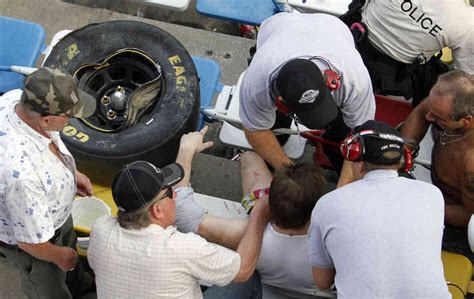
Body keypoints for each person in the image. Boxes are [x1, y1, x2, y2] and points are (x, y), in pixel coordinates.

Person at [87, 126, 269, 299]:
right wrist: (258, 216)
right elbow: (242, 270)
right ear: (157, 210)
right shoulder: (184, 249)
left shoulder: (100, 229)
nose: (174, 194)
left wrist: (186, 150)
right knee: (254, 274)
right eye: (169, 193)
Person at [308, 120, 450, 298]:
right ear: (404, 159)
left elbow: (322, 282)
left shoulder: (327, 205)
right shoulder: (432, 194)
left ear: (354, 156)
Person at [0, 67, 97, 298]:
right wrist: (63, 256)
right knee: (49, 289)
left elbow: (47, 146)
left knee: (73, 269)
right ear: (47, 119)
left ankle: (81, 287)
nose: (72, 118)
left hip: (55, 218)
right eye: (69, 115)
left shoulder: (15, 100)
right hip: (38, 246)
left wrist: (71, 174)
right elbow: (30, 243)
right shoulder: (22, 177)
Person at [239, 12, 375, 172]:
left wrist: (343, 187)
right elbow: (256, 129)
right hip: (279, 28)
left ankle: (334, 153)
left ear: (330, 81)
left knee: (342, 132)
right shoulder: (256, 85)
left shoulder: (354, 78)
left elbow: (360, 133)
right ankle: (279, 141)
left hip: (331, 27)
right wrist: (290, 172)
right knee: (274, 127)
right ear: (281, 103)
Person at [187, 151, 335, 298]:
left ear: (269, 203)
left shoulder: (247, 234)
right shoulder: (332, 242)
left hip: (264, 291)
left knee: (249, 157)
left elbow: (198, 224)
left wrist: (257, 213)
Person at [340, 0, 473, 105]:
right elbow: (466, 79)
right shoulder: (467, 22)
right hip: (391, 78)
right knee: (452, 88)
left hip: (347, 43)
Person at [400, 70, 474, 257]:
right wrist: (403, 153)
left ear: (466, 120)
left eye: (439, 117)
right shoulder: (445, 104)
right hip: (435, 194)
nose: (429, 118)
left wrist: (422, 208)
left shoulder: (470, 161)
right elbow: (420, 112)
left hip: (456, 224)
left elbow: (468, 215)